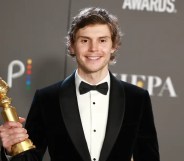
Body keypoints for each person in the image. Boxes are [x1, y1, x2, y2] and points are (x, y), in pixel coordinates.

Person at [0, 7, 160, 161]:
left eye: (102, 40)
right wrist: (11, 149)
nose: (93, 48)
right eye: (85, 40)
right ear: (71, 45)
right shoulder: (47, 98)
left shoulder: (137, 98)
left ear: (114, 45)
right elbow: (30, 158)